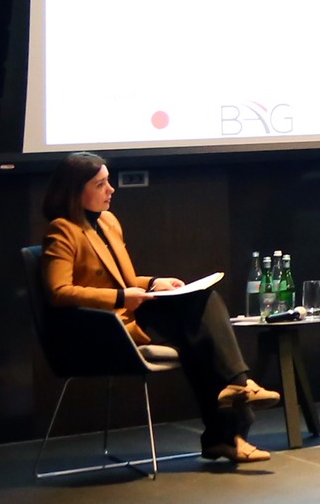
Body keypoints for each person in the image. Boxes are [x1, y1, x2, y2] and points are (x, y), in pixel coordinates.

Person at [40, 152, 279, 465]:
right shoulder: (62, 231)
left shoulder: (108, 222)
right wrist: (120, 298)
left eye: (108, 181)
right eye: (100, 185)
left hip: (127, 312)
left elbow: (122, 279)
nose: (111, 190)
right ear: (75, 192)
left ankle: (233, 405)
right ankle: (230, 419)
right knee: (197, 336)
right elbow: (58, 293)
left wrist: (154, 282)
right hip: (99, 329)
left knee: (202, 308)